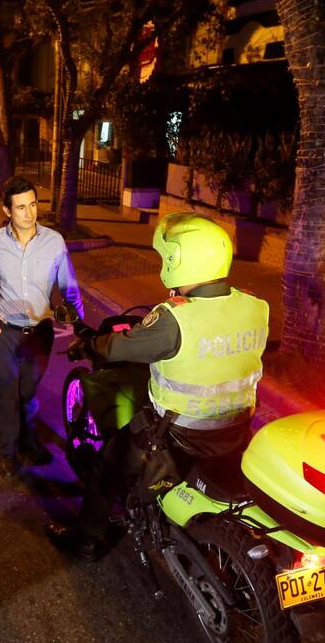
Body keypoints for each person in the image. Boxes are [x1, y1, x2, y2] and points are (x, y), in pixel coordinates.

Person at [46, 213, 269, 561]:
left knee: (107, 469)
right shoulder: (255, 306)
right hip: (236, 429)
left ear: (177, 261)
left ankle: (87, 543)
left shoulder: (174, 318)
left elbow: (121, 346)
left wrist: (90, 345)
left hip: (178, 436)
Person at [0, 176, 84, 478]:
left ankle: (29, 441)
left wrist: (79, 326)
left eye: (32, 204)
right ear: (7, 211)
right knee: (6, 392)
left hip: (39, 332)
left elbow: (69, 287)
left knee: (28, 392)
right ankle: (8, 450)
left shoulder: (54, 241)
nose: (29, 213)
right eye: (20, 207)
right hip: (3, 330)